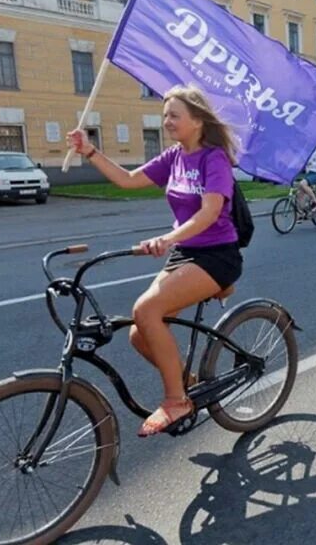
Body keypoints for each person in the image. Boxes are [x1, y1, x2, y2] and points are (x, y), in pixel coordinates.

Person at [66, 85, 242, 437]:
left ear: (197, 120)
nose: (167, 122)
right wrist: (89, 151)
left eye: (174, 115)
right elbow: (128, 180)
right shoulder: (174, 156)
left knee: (146, 310)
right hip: (185, 252)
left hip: (216, 255)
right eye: (165, 115)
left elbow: (210, 213)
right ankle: (188, 382)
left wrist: (168, 237)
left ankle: (176, 400)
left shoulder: (214, 158)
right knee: (138, 333)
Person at [298, 145, 316, 212]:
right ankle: (301, 211)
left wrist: (312, 163)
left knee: (302, 183)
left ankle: (315, 201)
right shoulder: (307, 152)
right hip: (309, 174)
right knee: (299, 193)